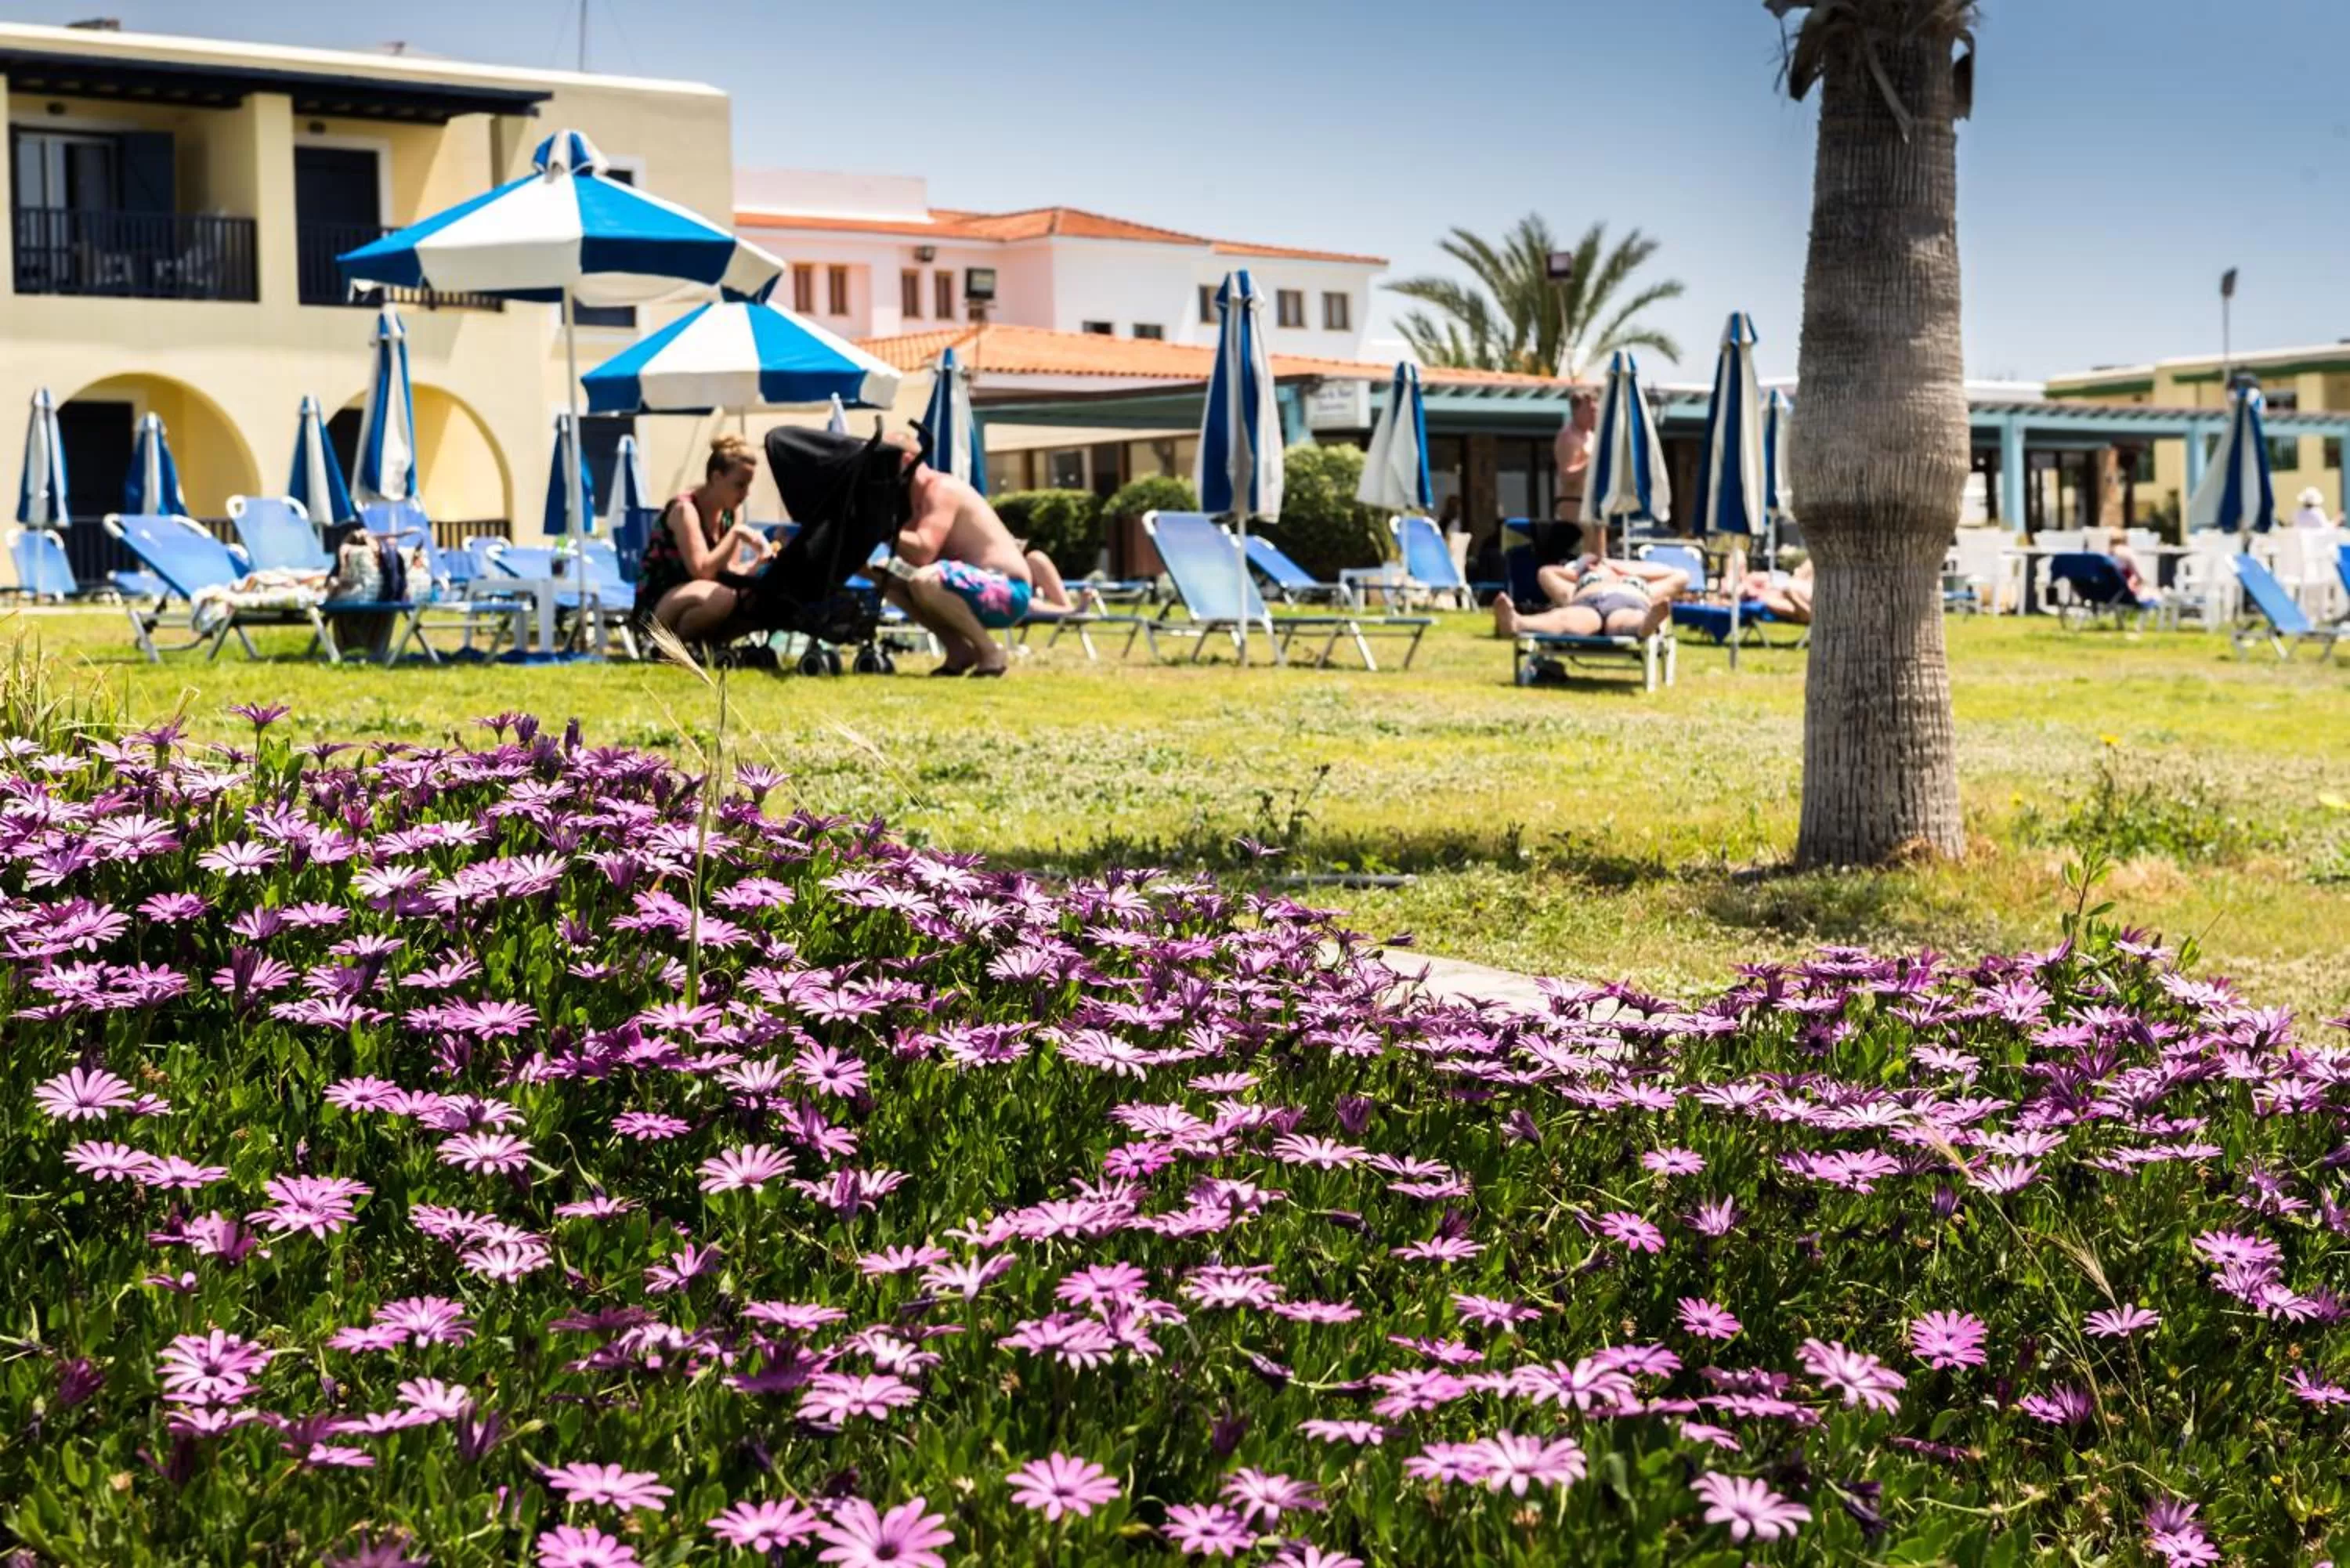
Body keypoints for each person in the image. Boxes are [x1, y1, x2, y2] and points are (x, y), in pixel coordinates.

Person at [884, 432, 1034, 676]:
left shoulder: (941, 489)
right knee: (888, 579)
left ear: (906, 459)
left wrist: (879, 529)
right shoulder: (912, 500)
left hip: (1008, 591)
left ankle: (990, 652)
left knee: (926, 580)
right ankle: (958, 651)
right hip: (972, 586)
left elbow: (923, 551)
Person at [639, 434, 776, 640]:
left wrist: (758, 566)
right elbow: (702, 572)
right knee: (721, 597)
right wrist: (736, 533)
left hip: (702, 595)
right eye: (740, 485)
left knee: (751, 596)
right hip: (659, 604)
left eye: (749, 486)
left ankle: (706, 647)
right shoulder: (685, 510)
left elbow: (728, 572)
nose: (746, 493)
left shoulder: (731, 514)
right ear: (716, 478)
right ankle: (671, 649)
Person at [1491, 521, 1687, 638]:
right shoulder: (1577, 582)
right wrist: (1582, 570)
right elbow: (1546, 573)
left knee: (1623, 620)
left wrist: (1618, 567)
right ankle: (1517, 623)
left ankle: (1646, 624)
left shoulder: (1640, 582)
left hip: (1628, 600)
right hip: (1586, 602)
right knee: (1565, 618)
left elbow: (1680, 575)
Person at [1552, 392, 1598, 522]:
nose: (1593, 414)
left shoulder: (1593, 437)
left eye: (1595, 410)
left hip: (1593, 505)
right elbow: (1566, 476)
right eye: (1589, 410)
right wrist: (1591, 464)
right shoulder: (1568, 437)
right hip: (1574, 505)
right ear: (1575, 411)